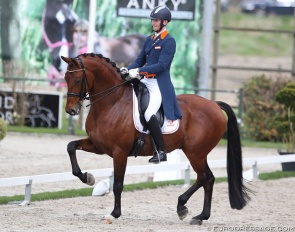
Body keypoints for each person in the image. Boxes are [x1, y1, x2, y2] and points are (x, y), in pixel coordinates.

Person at [120, 5, 182, 164]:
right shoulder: (149, 39)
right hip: (144, 80)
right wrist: (128, 69)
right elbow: (139, 60)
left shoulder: (169, 41)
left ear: (165, 22)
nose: (153, 22)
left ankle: (161, 151)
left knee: (149, 114)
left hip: (158, 84)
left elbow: (162, 66)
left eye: (156, 20)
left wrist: (140, 70)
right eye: (153, 20)